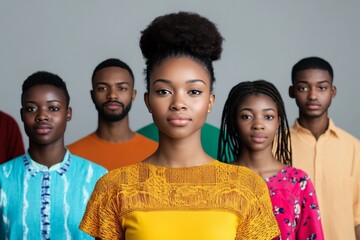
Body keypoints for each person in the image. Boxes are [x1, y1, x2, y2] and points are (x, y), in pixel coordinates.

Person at [79, 11, 279, 240]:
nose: (178, 103)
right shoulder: (115, 187)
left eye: (193, 91)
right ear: (148, 101)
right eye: (164, 91)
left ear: (210, 101)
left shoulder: (246, 187)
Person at [0, 71, 107, 239]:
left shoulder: (98, 178)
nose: (42, 116)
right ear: (22, 115)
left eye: (53, 108)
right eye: (31, 108)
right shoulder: (2, 178)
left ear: (68, 113)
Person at [218, 80, 324, 239]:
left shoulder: (298, 182)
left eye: (268, 116)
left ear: (278, 122)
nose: (258, 125)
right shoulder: (217, 181)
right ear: (234, 122)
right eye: (246, 116)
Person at [289, 56, 360, 240]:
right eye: (303, 88)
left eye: (322, 88)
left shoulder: (354, 149)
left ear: (333, 91)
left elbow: (358, 220)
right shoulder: (275, 145)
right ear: (292, 91)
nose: (313, 95)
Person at [67, 58, 158, 170]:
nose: (112, 95)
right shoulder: (69, 156)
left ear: (133, 94)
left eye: (121, 88)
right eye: (103, 88)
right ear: (92, 95)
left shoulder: (156, 153)